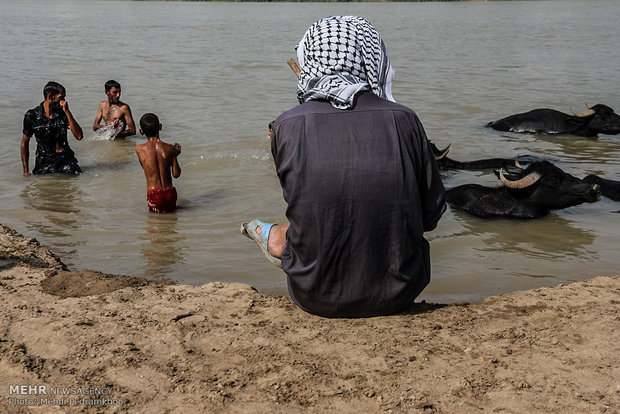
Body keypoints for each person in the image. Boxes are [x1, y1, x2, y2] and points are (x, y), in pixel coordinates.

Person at [240, 16, 446, 318]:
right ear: (371, 56)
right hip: (400, 292)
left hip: (316, 295)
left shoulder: (286, 124)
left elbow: (302, 204)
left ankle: (270, 235)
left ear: (309, 56)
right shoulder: (405, 120)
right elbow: (431, 217)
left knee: (297, 227)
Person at [21, 81, 84, 176]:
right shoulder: (32, 116)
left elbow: (79, 136)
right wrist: (25, 171)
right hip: (44, 162)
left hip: (66, 161)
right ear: (50, 96)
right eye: (61, 98)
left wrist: (67, 112)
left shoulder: (63, 114)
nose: (64, 101)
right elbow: (24, 143)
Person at [135, 113, 181, 213]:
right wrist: (174, 156)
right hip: (170, 192)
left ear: (141, 131)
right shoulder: (170, 148)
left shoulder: (139, 149)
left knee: (155, 223)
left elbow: (148, 166)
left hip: (154, 194)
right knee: (172, 221)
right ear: (160, 127)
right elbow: (176, 174)